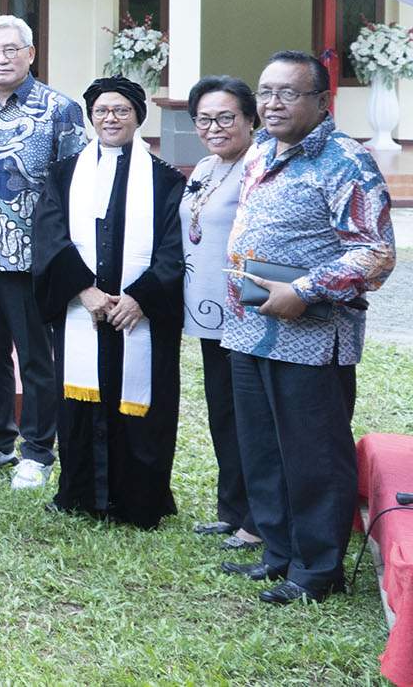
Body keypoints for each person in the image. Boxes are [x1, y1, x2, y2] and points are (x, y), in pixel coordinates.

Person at [221, 50, 396, 605]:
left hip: (311, 338)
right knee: (264, 450)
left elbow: (375, 253)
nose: (272, 102)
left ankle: (318, 570)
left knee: (313, 456)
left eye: (288, 93)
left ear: (323, 102)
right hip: (250, 327)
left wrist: (305, 290)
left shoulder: (346, 160)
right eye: (266, 91)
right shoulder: (262, 150)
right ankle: (279, 552)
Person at [31, 75, 185, 528]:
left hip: (139, 317)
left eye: (120, 110)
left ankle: (140, 501)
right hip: (85, 311)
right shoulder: (64, 175)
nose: (111, 118)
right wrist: (85, 292)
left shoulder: (165, 181)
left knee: (139, 405)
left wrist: (139, 298)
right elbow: (49, 236)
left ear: (138, 115)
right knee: (81, 403)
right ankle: (80, 493)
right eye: (102, 111)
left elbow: (176, 250)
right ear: (91, 117)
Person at [0, 15, 86, 489]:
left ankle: (37, 450)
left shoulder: (60, 109)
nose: (1, 59)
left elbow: (77, 184)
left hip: (33, 256)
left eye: (11, 50)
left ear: (31, 54)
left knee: (35, 356)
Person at [180, 75, 261, 551]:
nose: (215, 127)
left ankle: (257, 517)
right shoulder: (207, 167)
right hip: (208, 316)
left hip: (246, 314)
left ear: (250, 119)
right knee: (223, 412)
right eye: (204, 119)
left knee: (250, 417)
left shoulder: (258, 166)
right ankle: (231, 510)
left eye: (226, 117)